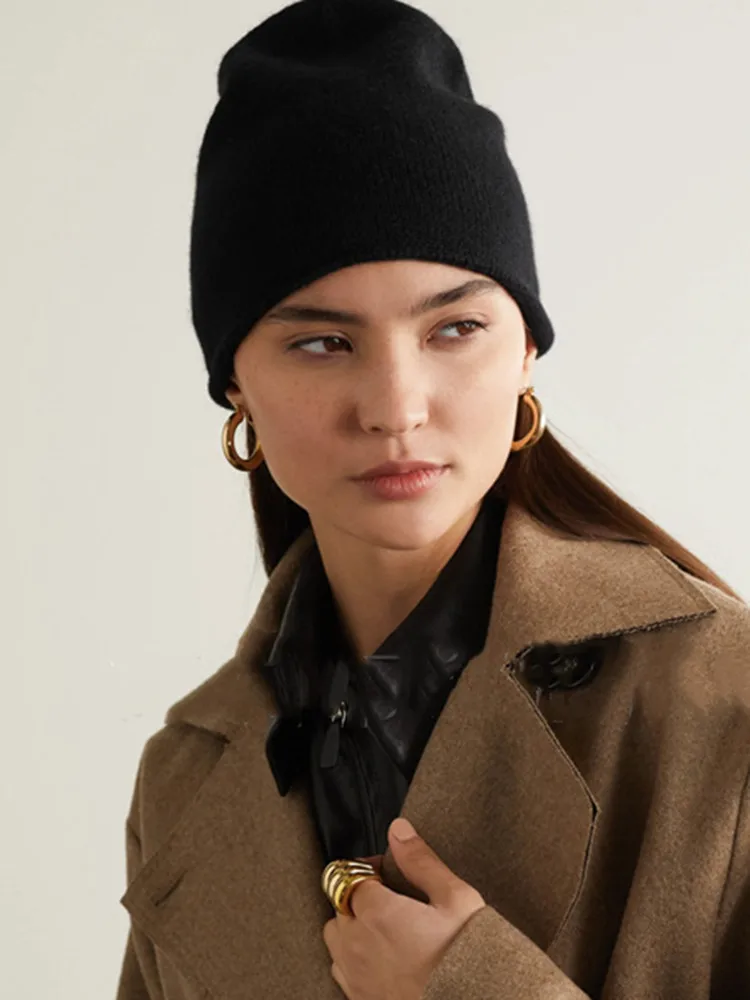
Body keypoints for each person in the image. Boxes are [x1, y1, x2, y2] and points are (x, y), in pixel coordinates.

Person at [115, 2, 750, 998]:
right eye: (322, 342)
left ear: (526, 347)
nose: (396, 407)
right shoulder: (187, 778)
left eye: (454, 329)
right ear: (236, 384)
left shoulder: (718, 700)